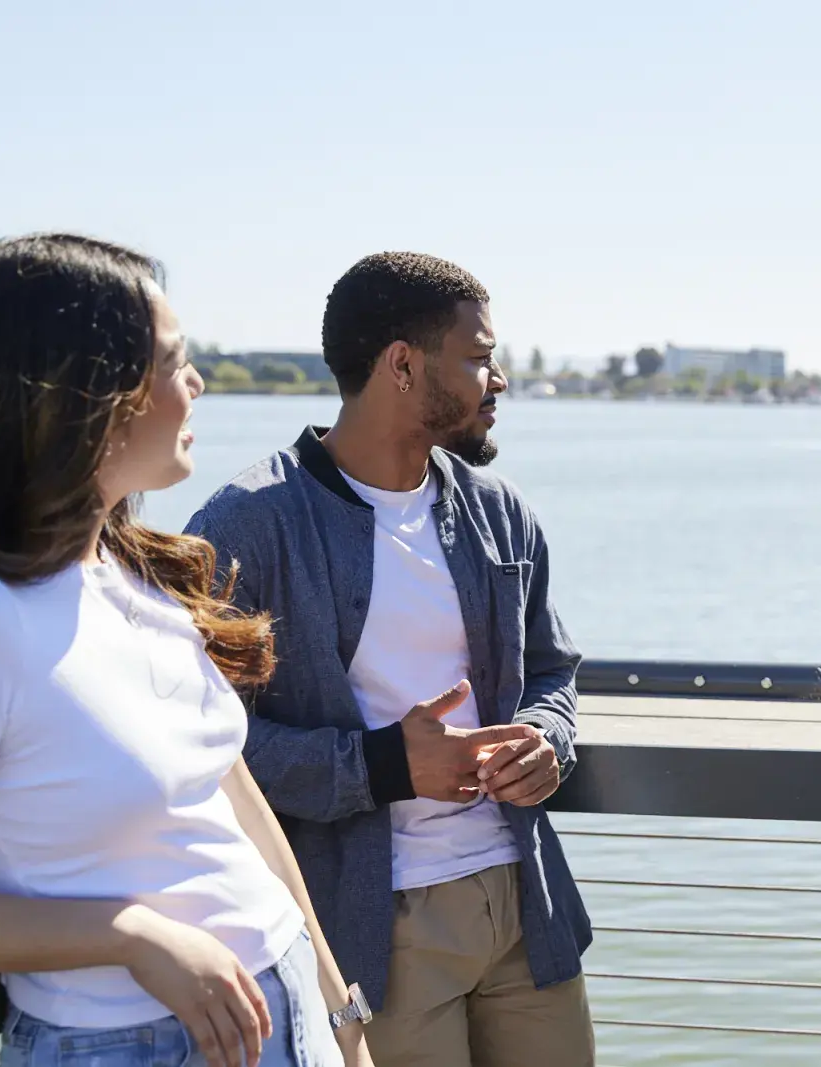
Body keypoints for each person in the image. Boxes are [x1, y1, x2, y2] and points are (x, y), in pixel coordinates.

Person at [0, 234, 373, 1067]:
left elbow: (233, 803)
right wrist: (130, 933)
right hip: (134, 1043)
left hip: (285, 1017)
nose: (198, 383)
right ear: (93, 393)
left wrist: (339, 1013)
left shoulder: (126, 571)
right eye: (177, 361)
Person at [184, 252, 595, 1067]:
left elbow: (553, 668)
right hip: (371, 927)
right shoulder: (247, 525)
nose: (499, 379)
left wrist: (548, 738)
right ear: (402, 365)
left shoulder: (500, 511)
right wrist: (382, 766)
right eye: (478, 357)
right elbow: (200, 747)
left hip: (528, 909)